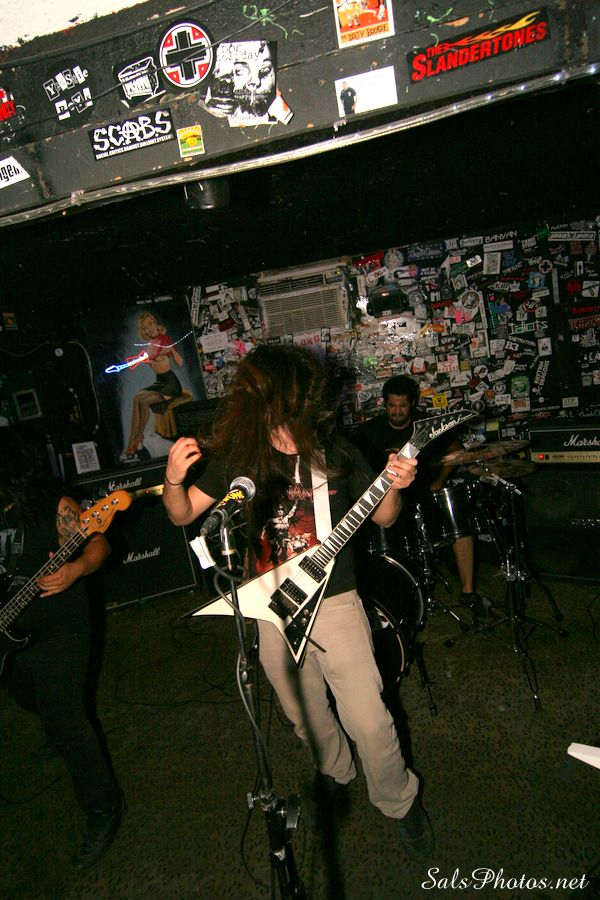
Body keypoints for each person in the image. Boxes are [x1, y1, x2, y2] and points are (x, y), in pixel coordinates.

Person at [162, 344, 434, 862]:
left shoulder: (335, 450)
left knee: (370, 720)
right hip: (269, 607)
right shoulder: (241, 457)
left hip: (335, 600)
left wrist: (395, 485)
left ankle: (399, 801)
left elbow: (385, 516)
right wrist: (173, 481)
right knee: (303, 715)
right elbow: (182, 514)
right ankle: (336, 770)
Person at [0, 426, 124, 872]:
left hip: (60, 628)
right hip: (13, 631)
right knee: (26, 694)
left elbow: (98, 543)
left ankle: (104, 808)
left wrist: (75, 570)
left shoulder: (54, 506)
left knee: (68, 722)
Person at [351, 374, 489, 617]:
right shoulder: (369, 431)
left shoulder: (426, 426)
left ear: (412, 403)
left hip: (424, 493)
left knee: (459, 522)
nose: (397, 411)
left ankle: (468, 592)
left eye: (402, 405)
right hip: (390, 500)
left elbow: (456, 451)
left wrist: (438, 482)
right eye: (392, 405)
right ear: (385, 403)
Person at [123, 310, 183, 459]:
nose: (148, 329)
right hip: (159, 382)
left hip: (170, 383)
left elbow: (180, 362)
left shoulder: (164, 340)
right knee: (136, 399)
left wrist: (171, 351)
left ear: (155, 323)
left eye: (150, 324)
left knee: (143, 401)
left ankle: (137, 439)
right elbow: (151, 363)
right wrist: (144, 361)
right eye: (145, 328)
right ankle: (133, 440)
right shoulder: (150, 346)